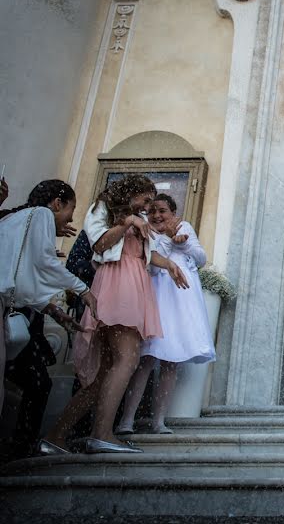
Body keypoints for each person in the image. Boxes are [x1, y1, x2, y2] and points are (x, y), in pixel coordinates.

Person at [41, 174, 189, 455]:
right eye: (145, 200)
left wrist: (168, 264)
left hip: (134, 281)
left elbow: (144, 254)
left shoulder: (137, 219)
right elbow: (99, 244)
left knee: (104, 374)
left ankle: (55, 436)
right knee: (128, 359)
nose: (147, 207)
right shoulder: (104, 209)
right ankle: (102, 433)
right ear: (131, 192)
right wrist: (126, 222)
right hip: (118, 283)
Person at [0, 180, 98, 449]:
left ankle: (20, 448)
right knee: (37, 382)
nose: (71, 217)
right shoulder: (42, 214)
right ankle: (22, 450)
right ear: (57, 203)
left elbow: (19, 279)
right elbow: (44, 261)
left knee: (34, 381)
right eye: (71, 208)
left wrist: (53, 310)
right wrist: (83, 290)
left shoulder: (14, 219)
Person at [117, 194, 215, 435]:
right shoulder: (144, 231)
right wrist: (169, 239)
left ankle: (159, 421)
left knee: (171, 361)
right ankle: (126, 420)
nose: (157, 216)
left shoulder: (185, 227)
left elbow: (201, 259)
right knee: (146, 359)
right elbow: (148, 261)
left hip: (180, 300)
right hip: (157, 294)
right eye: (152, 212)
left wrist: (183, 242)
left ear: (173, 212)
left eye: (162, 211)